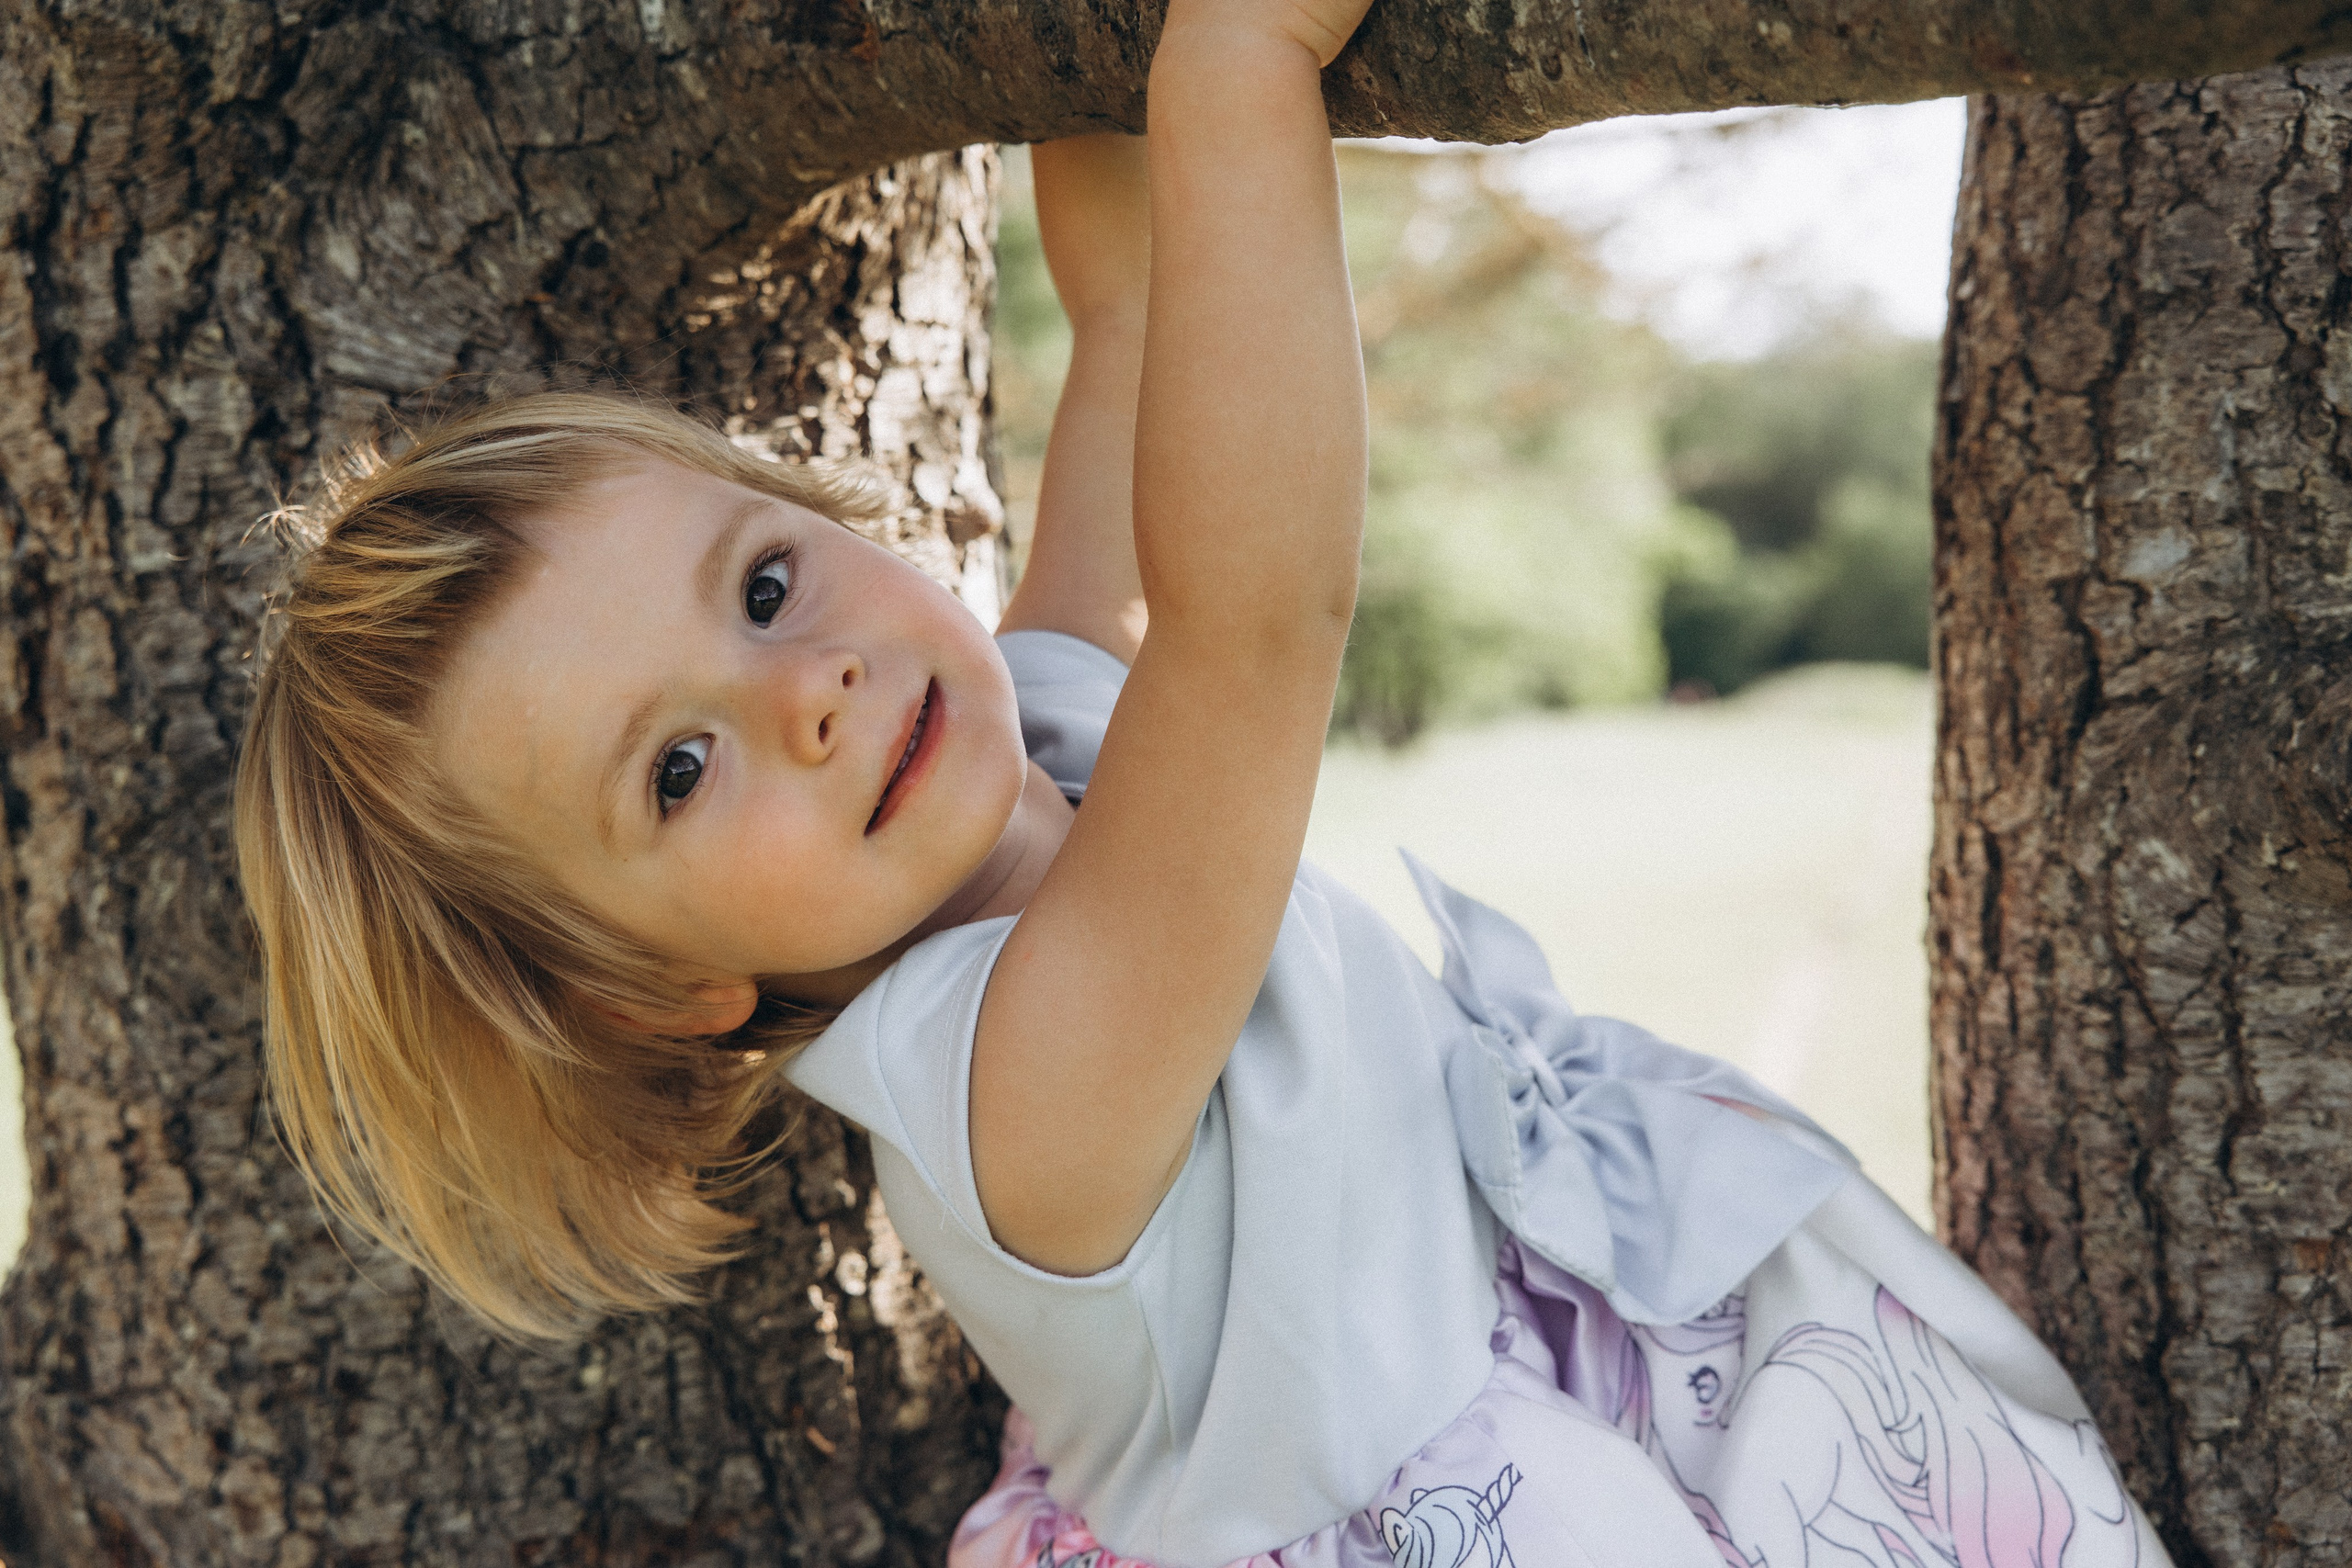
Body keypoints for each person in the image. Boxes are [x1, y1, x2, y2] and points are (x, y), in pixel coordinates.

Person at [233, 1, 2175, 1563]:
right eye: (674, 766)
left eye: (760, 583)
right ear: (653, 990)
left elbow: (1133, 339)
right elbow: (1254, 627)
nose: (805, 688)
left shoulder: (1025, 752)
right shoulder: (1007, 1090)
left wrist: (1083, 76)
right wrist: (1230, 65)